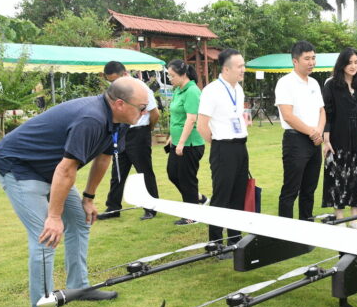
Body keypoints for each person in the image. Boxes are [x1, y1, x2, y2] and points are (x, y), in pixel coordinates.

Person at [0, 77, 148, 307]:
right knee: (46, 237)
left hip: (51, 169)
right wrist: (53, 216)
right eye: (141, 107)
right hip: (19, 166)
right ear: (120, 103)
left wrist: (88, 198)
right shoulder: (92, 119)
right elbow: (66, 169)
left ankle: (79, 288)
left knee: (80, 220)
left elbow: (103, 159)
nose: (144, 113)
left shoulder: (118, 122)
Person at [197, 49, 252, 245]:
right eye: (240, 66)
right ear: (226, 69)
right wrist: (219, 143)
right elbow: (202, 126)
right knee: (222, 196)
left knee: (238, 195)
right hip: (223, 148)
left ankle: (235, 239)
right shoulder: (212, 90)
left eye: (243, 65)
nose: (243, 70)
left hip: (240, 147)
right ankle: (215, 242)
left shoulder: (238, 88)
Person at [98, 61, 161, 221]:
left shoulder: (141, 88)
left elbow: (155, 114)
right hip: (121, 132)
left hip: (139, 132)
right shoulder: (115, 91)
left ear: (125, 74)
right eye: (110, 81)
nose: (113, 84)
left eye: (115, 80)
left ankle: (151, 207)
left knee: (144, 171)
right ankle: (113, 207)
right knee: (118, 170)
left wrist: (147, 130)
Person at [321, 47, 357, 229]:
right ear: (342, 64)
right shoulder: (331, 85)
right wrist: (326, 139)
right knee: (338, 178)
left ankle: (354, 219)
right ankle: (340, 218)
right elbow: (326, 113)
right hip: (337, 138)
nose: (353, 66)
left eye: (356, 62)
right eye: (349, 62)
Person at [275, 40, 326, 220]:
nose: (311, 62)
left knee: (309, 189)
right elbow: (288, 115)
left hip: (315, 141)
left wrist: (319, 131)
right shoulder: (285, 83)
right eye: (307, 59)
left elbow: (322, 110)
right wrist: (312, 132)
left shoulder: (314, 83)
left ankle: (306, 225)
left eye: (313, 58)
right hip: (296, 140)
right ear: (295, 61)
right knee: (291, 189)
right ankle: (285, 234)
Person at [166, 59, 209, 225]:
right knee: (173, 173)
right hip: (177, 141)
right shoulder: (179, 89)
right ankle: (199, 198)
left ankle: (192, 215)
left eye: (172, 76)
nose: (170, 79)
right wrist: (172, 137)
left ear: (183, 75)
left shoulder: (192, 91)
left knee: (187, 178)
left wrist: (182, 142)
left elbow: (191, 119)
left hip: (191, 144)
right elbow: (178, 117)